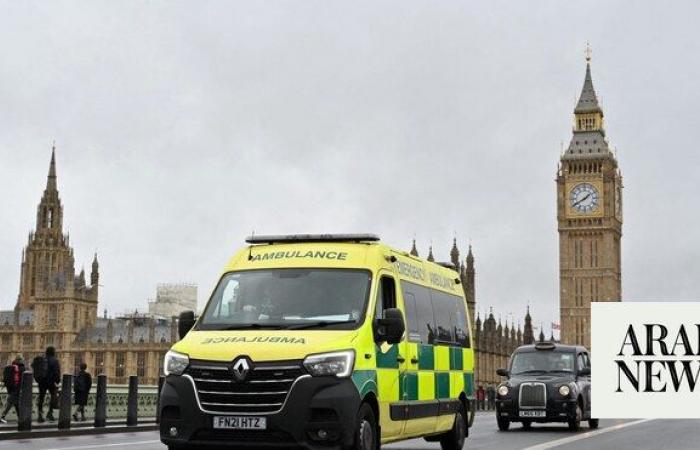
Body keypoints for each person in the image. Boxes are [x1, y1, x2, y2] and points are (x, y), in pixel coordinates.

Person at [35, 346, 61, 422]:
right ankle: (49, 413)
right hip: (50, 381)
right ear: (53, 352)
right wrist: (57, 381)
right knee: (53, 396)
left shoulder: (42, 359)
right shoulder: (54, 360)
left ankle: (40, 415)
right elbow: (56, 372)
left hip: (41, 381)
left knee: (41, 398)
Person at [0, 355, 25, 423]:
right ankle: (2, 416)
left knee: (16, 403)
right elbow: (23, 379)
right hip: (17, 388)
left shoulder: (11, 366)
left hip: (10, 387)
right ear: (21, 360)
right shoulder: (22, 368)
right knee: (11, 402)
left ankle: (20, 418)